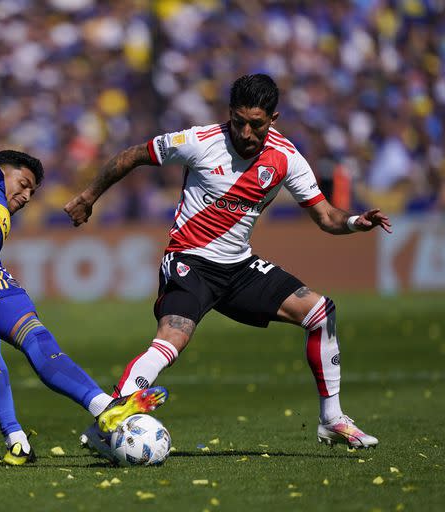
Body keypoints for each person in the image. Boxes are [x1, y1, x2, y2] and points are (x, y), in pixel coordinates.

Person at [65, 74, 392, 454]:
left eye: (257, 124)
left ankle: (332, 419)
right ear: (229, 115)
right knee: (172, 340)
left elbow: (326, 217)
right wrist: (89, 197)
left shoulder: (286, 158)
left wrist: (355, 222)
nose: (247, 132)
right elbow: (133, 155)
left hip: (238, 268)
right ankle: (107, 419)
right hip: (190, 261)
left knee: (320, 312)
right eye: (239, 121)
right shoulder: (200, 141)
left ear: (274, 118)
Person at [0, 144, 168, 465]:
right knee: (32, 333)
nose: (27, 196)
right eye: (24, 184)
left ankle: (15, 439)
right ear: (2, 172)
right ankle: (106, 407)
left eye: (33, 191)